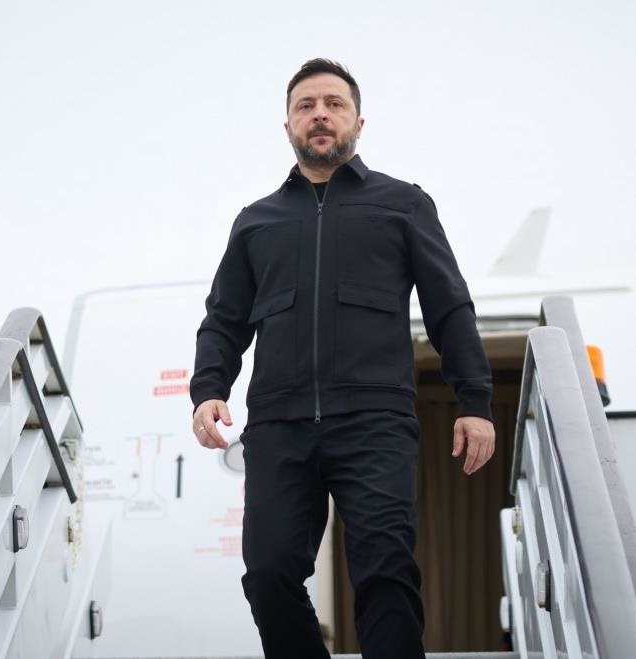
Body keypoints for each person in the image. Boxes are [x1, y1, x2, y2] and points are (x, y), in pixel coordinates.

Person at [189, 58, 495, 659]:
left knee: (385, 569)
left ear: (358, 121)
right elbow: (224, 318)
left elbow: (450, 307)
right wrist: (208, 388)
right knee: (269, 573)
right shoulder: (256, 222)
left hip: (375, 421)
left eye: (334, 104)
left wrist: (475, 401)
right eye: (306, 106)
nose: (320, 115)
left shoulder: (403, 204)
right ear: (288, 125)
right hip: (279, 427)